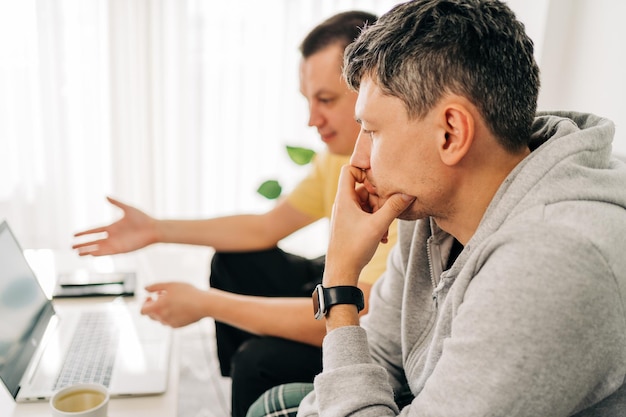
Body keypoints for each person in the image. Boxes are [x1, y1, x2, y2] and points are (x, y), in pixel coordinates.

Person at [248, 0, 626, 416]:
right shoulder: (431, 203)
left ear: (450, 133)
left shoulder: (551, 263)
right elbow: (380, 352)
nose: (358, 160)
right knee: (274, 405)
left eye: (372, 131)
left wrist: (339, 284)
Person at [71, 11, 395, 417]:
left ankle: (249, 378)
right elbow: (264, 227)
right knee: (235, 261)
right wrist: (154, 229)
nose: (312, 120)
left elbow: (359, 311)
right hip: (341, 285)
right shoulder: (338, 158)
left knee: (257, 360)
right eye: (308, 100)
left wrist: (208, 304)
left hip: (368, 326)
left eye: (325, 100)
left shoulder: (397, 177)